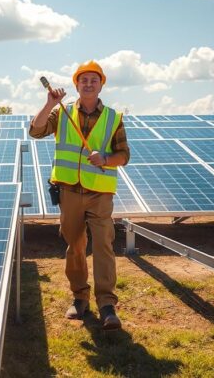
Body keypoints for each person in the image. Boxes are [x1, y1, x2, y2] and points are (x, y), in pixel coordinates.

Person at [29, 60, 131, 331]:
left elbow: (124, 156)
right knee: (74, 246)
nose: (88, 84)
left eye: (93, 80)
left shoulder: (113, 117)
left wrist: (105, 159)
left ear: (101, 85)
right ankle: (80, 297)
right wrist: (49, 103)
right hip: (69, 191)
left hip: (99, 193)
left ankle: (107, 305)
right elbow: (35, 130)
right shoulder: (62, 112)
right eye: (83, 80)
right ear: (76, 84)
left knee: (103, 246)